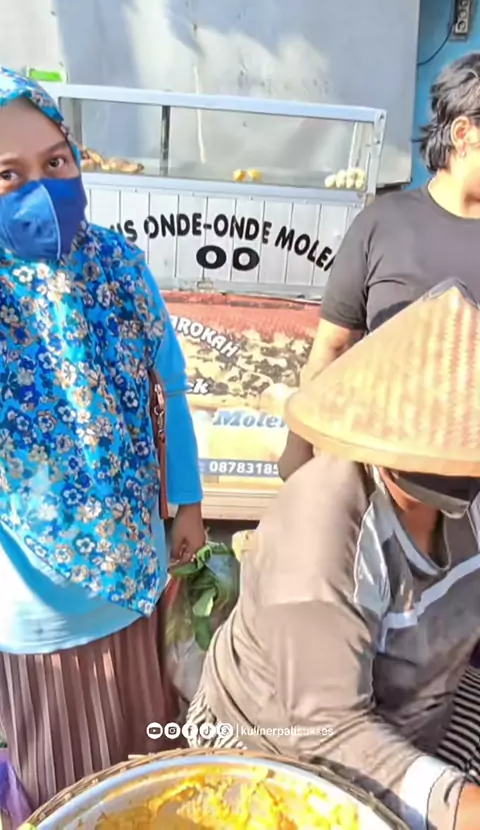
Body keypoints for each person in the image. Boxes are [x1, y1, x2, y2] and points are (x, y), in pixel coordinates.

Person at [186, 280, 480, 830]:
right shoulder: (320, 538)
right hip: (284, 743)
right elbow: (328, 731)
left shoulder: (466, 500)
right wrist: (461, 805)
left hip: (418, 706)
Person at [0, 67, 204, 811]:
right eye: (8, 174)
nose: (42, 188)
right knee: (69, 798)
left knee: (152, 783)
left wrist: (187, 507)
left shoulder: (117, 265)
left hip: (140, 581)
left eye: (56, 161)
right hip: (37, 612)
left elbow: (167, 387)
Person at [279, 50, 480, 481]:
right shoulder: (383, 224)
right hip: (385, 476)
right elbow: (332, 347)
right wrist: (300, 453)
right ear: (464, 133)